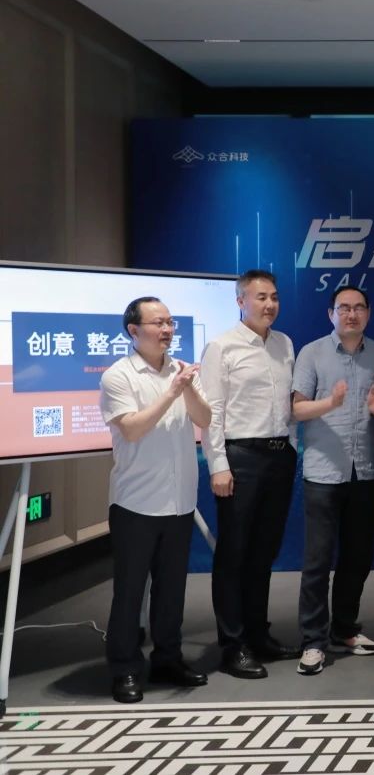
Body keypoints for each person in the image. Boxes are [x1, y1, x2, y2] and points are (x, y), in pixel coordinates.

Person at [99, 297, 211, 703]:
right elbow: (131, 429)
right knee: (130, 591)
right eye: (158, 323)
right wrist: (171, 392)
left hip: (179, 501)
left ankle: (168, 659)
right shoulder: (118, 375)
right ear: (134, 330)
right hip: (136, 503)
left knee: (171, 590)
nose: (167, 330)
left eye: (170, 322)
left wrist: (186, 387)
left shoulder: (181, 370)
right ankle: (125, 668)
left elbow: (205, 419)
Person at [202, 269, 300, 679]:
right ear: (240, 301)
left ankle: (258, 634)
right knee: (233, 554)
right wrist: (219, 465)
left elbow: (286, 405)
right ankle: (233, 645)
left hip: (279, 456)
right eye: (260, 297)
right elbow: (212, 412)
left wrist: (290, 446)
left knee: (264, 552)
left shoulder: (284, 343)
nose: (269, 304)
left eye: (274, 297)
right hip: (240, 457)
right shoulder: (221, 347)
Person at [291, 285, 374, 675]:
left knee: (357, 557)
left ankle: (345, 629)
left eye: (359, 308)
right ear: (331, 313)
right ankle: (313, 641)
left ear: (368, 313)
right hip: (323, 472)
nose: (351, 314)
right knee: (318, 560)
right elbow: (297, 409)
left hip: (366, 470)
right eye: (344, 308)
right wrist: (330, 403)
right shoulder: (312, 352)